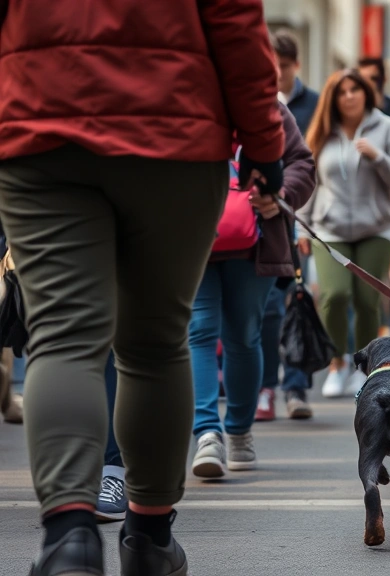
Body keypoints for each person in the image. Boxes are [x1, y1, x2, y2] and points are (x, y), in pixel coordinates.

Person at [0, 1, 285, 574]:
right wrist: (263, 141)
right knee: (155, 342)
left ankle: (69, 538)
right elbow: (235, 22)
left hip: (41, 126)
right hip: (173, 132)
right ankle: (150, 539)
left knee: (63, 339)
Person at [190, 102, 315, 478]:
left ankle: (240, 431)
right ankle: (208, 433)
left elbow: (302, 164)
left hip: (255, 242)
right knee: (199, 331)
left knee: (244, 336)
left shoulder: (267, 107)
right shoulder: (184, 99)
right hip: (193, 236)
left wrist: (280, 195)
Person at [297, 69, 390, 397]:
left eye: (355, 89)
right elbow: (309, 183)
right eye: (342, 91)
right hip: (327, 229)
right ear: (333, 98)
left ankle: (365, 368)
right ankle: (337, 364)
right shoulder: (323, 131)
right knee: (334, 296)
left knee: (367, 301)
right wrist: (301, 228)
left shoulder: (386, 128)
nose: (349, 96)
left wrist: (378, 157)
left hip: (376, 229)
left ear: (366, 92)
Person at [256, 31, 323, 422]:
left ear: (294, 65)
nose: (276, 72)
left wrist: (305, 222)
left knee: (298, 304)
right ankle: (265, 386)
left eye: (282, 65)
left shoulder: (313, 106)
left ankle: (295, 388)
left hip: (303, 222)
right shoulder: (248, 104)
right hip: (261, 226)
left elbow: (311, 167)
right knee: (266, 312)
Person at [272, 29, 319, 135]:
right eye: (274, 65)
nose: (279, 72)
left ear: (297, 65)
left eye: (284, 66)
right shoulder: (262, 102)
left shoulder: (315, 103)